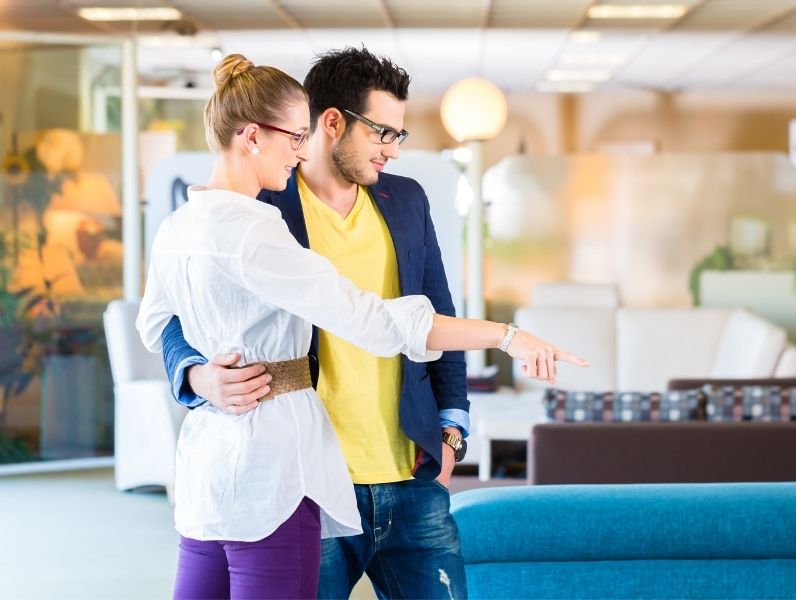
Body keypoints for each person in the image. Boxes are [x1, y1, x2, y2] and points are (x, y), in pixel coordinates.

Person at [138, 53, 585, 600]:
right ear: (330, 122)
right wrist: (197, 376)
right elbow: (173, 324)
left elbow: (436, 303)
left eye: (400, 133)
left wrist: (452, 428)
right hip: (311, 472)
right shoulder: (262, 214)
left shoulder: (404, 201)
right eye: (383, 131)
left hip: (404, 471)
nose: (393, 148)